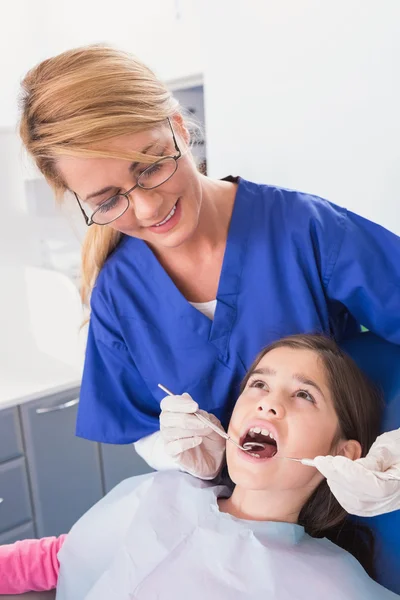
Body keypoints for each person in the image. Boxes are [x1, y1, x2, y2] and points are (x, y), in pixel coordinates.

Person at [19, 45, 400, 492]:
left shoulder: (304, 231)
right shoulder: (120, 292)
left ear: (179, 128)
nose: (145, 207)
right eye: (107, 200)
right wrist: (184, 454)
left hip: (338, 503)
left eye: (151, 166)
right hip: (226, 522)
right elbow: (140, 425)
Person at [0, 335, 398, 598]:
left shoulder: (333, 586)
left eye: (303, 395)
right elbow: (61, 559)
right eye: (258, 384)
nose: (267, 402)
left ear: (344, 455)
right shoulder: (165, 492)